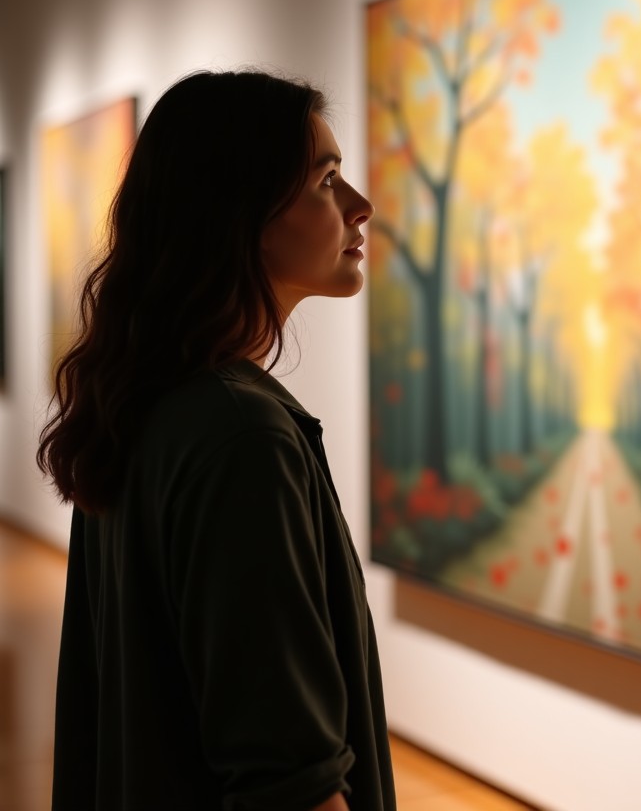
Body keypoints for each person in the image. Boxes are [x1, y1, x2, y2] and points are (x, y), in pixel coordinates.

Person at [37, 69, 396, 811]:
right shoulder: (243, 441)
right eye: (327, 180)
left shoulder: (143, 405)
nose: (361, 207)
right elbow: (287, 780)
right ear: (244, 215)